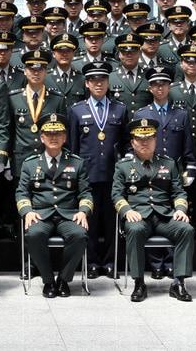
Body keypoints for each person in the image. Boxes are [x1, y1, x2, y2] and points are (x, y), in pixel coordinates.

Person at [113, 117, 194, 303]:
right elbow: (116, 195)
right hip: (138, 216)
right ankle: (139, 282)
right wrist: (127, 211)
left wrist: (180, 209)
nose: (144, 143)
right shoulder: (123, 166)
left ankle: (179, 282)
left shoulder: (169, 163)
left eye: (148, 138)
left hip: (164, 216)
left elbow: (179, 192)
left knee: (186, 230)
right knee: (134, 230)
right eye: (140, 139)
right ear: (132, 142)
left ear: (155, 140)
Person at [18, 112, 92, 298]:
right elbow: (21, 192)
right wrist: (27, 211)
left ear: (65, 137)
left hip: (69, 214)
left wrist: (83, 211)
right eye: (49, 134)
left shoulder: (77, 163)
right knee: (34, 234)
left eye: (58, 134)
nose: (53, 138)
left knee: (79, 234)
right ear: (42, 137)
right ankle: (48, 280)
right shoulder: (29, 164)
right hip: (41, 214)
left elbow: (85, 193)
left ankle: (64, 280)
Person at [67, 61, 130, 278]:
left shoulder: (120, 109)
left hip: (113, 175)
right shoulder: (76, 110)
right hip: (87, 175)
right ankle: (92, 262)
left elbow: (125, 144)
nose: (98, 83)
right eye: (94, 80)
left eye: (102, 79)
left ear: (108, 82)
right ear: (87, 83)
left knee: (112, 222)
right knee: (90, 222)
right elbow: (73, 147)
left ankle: (111, 262)